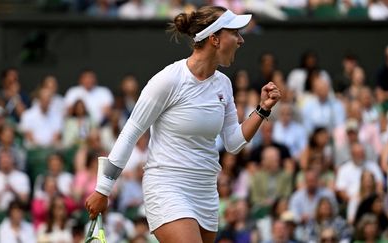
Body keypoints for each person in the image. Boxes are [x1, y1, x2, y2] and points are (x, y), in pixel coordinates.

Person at [85, 6, 281, 243]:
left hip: (206, 191)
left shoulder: (224, 85)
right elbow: (130, 132)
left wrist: (262, 109)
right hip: (167, 186)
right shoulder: (168, 80)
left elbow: (233, 142)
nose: (241, 40)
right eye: (235, 33)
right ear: (215, 39)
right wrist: (103, 189)